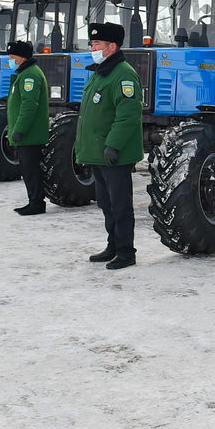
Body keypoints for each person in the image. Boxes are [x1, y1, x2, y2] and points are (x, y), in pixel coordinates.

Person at [74, 22, 143, 269]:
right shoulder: (101, 72)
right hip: (97, 153)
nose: (92, 47)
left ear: (111, 46)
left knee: (120, 205)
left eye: (97, 44)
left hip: (114, 155)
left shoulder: (123, 74)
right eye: (92, 43)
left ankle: (126, 252)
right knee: (106, 203)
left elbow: (128, 115)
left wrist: (113, 145)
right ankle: (112, 246)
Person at [5, 41, 49, 214]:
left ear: (22, 57)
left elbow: (29, 105)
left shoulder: (30, 75)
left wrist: (19, 129)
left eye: (12, 57)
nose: (9, 60)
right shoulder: (24, 73)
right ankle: (33, 200)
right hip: (26, 133)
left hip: (30, 134)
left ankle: (37, 203)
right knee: (27, 169)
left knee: (31, 170)